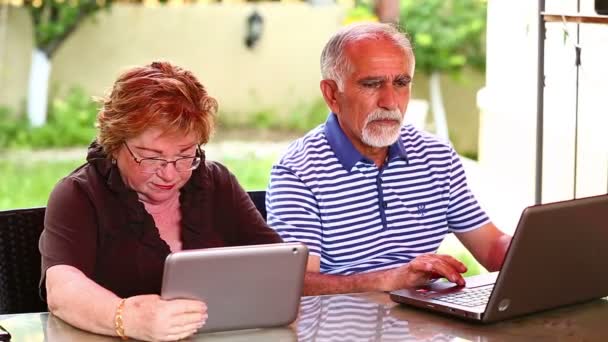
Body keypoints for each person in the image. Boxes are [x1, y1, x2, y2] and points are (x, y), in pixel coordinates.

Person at [39, 61, 282, 341]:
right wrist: (126, 317)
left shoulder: (215, 183)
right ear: (116, 143)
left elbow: (275, 263)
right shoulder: (79, 195)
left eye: (185, 154)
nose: (169, 173)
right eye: (151, 156)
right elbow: (62, 290)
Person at [266, 23, 511, 296]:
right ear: (332, 94)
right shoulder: (298, 170)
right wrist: (390, 279)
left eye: (401, 83)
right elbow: (296, 284)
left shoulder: (437, 156)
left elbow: (492, 247)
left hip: (425, 331)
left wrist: (546, 253)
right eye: (372, 84)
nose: (390, 101)